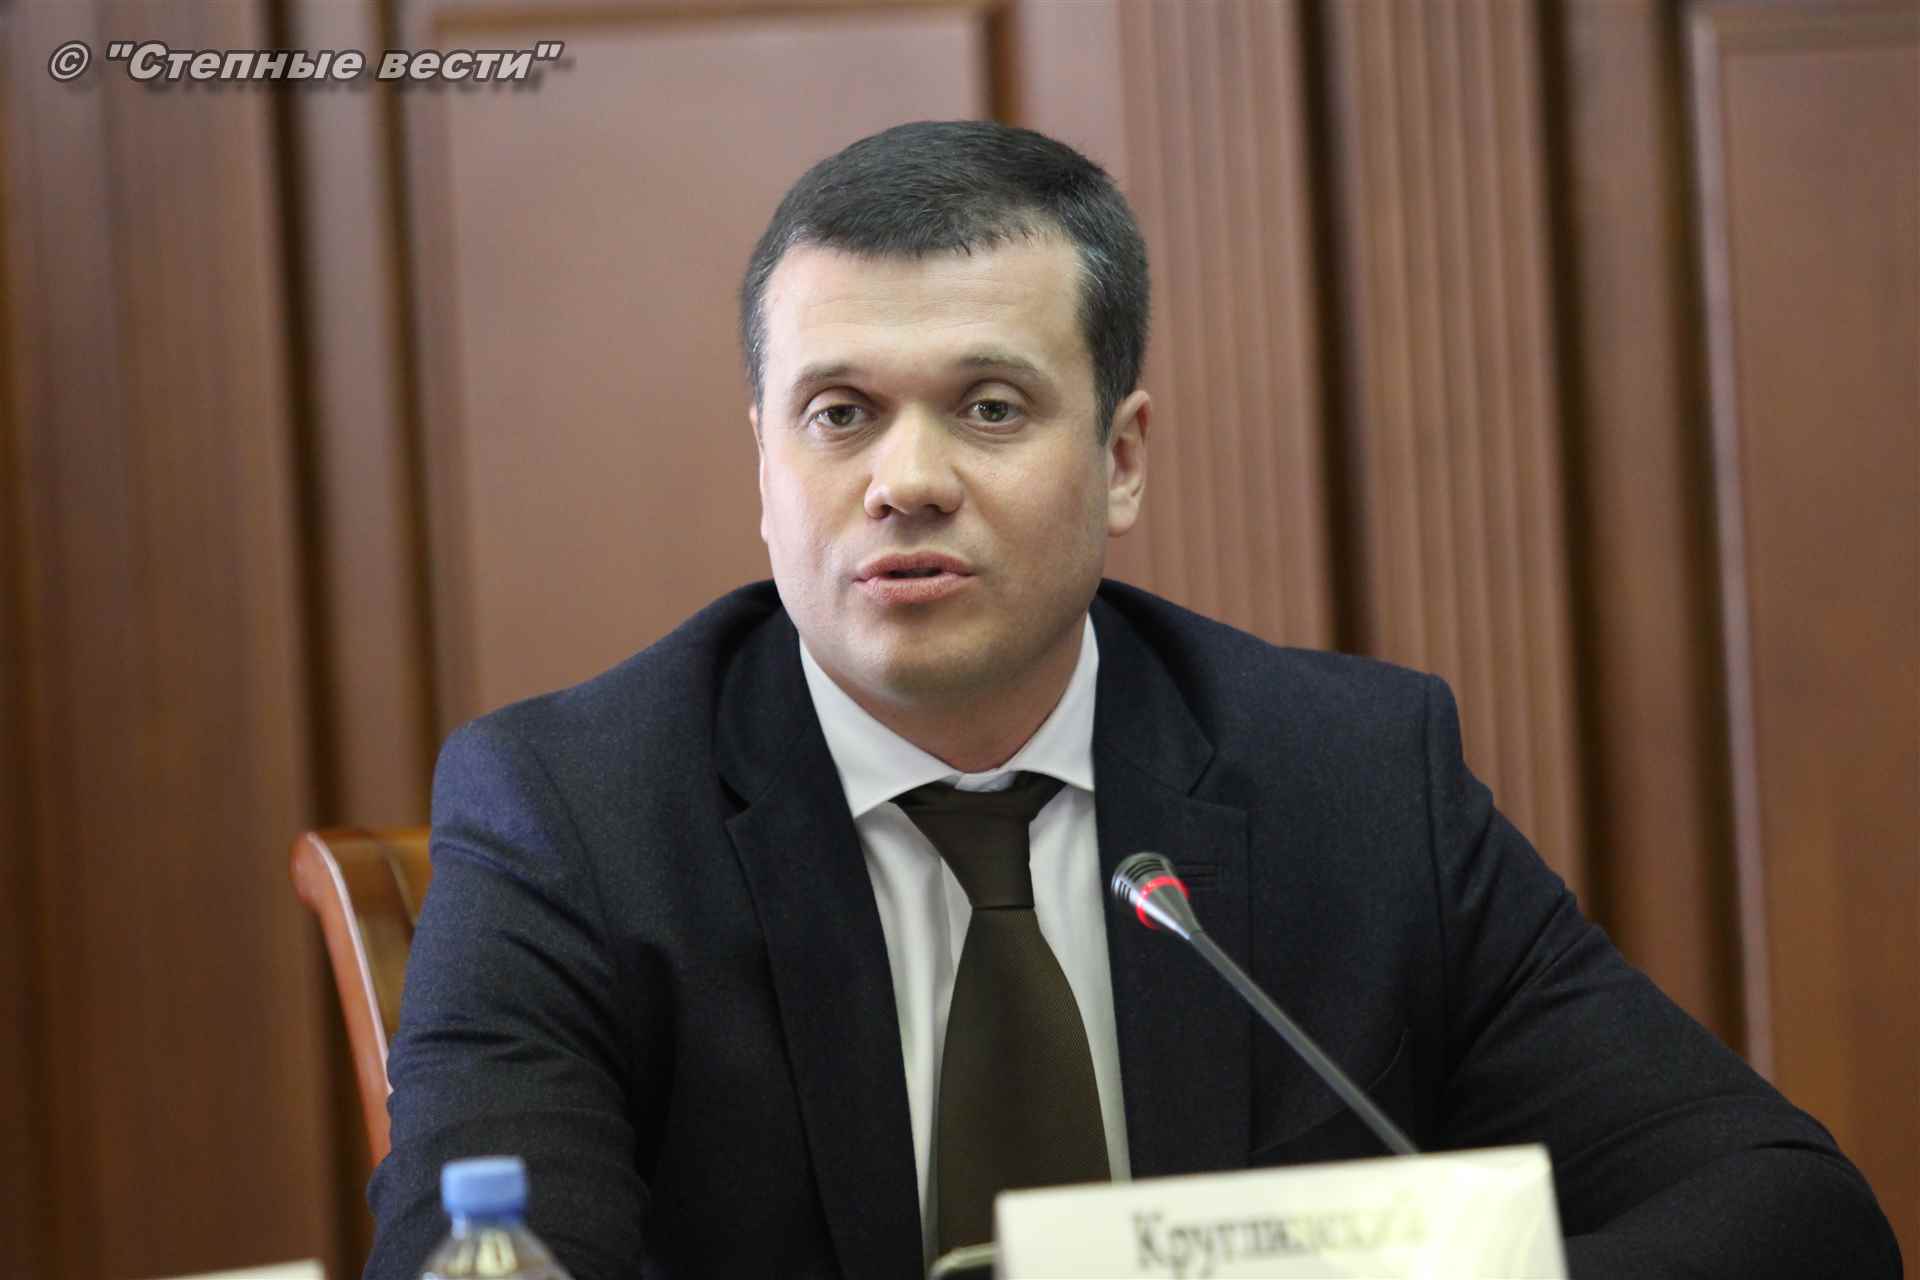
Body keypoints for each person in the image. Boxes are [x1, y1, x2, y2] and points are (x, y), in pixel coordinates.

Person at [365, 121, 1900, 1279]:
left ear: (1120, 458)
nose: (907, 480)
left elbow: (1783, 1209)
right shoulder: (574, 814)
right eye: (840, 415)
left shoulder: (1353, 781)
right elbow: (489, 1254)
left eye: (989, 407)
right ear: (763, 462)